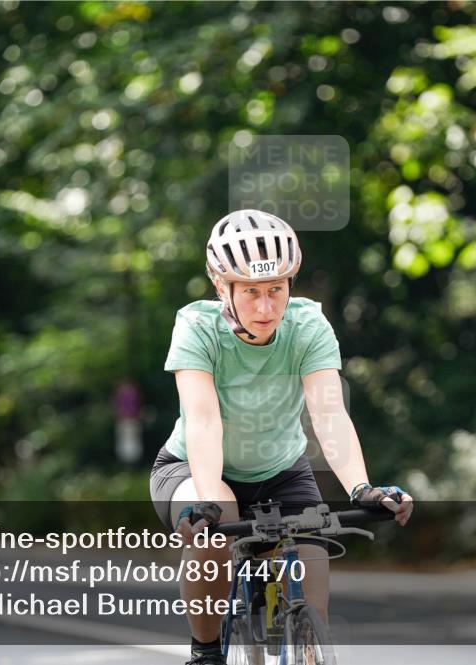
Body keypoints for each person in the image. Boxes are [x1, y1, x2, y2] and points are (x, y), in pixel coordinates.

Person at [149, 209, 413, 665]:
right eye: (250, 292)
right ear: (222, 288)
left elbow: (329, 413)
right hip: (195, 470)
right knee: (213, 539)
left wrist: (361, 488)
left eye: (276, 290)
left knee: (314, 604)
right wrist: (210, 501)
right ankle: (205, 651)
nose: (266, 308)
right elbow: (203, 421)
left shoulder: (308, 326)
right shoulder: (196, 328)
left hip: (280, 471)